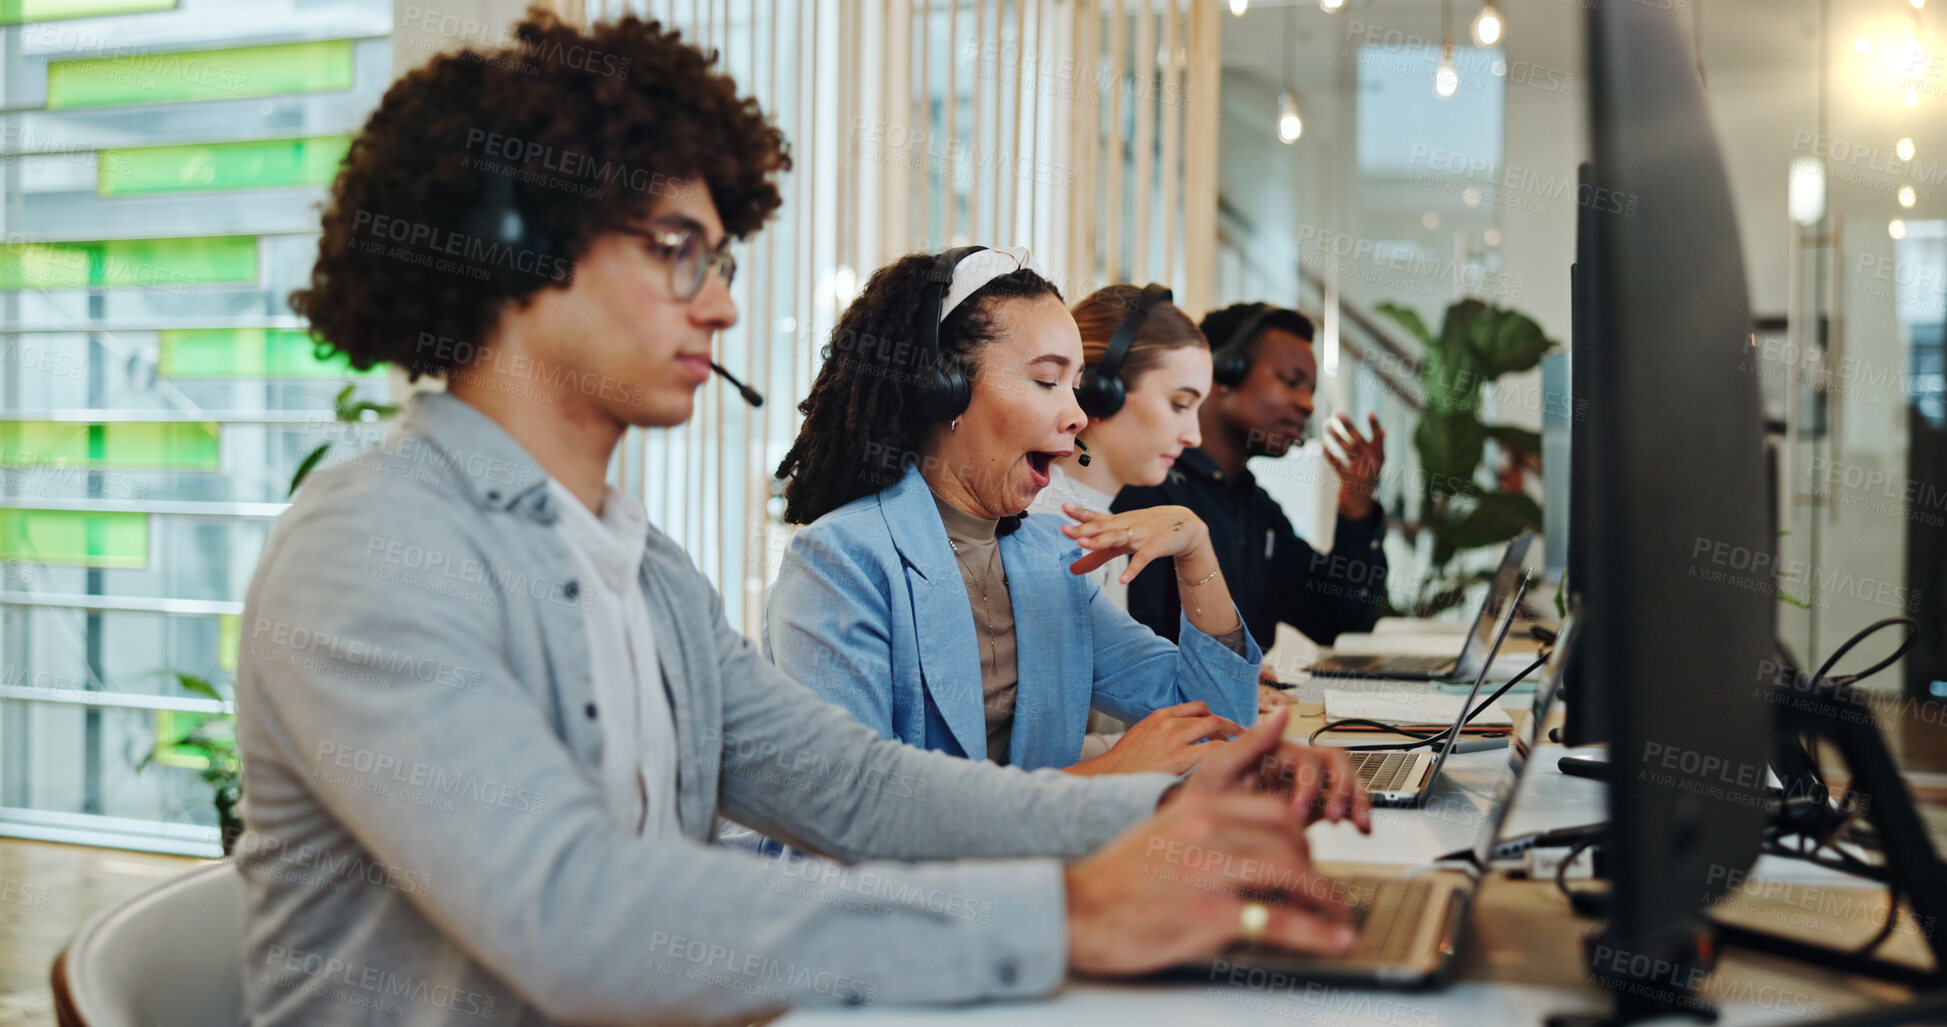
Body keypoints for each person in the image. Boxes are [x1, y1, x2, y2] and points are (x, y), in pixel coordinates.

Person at [236, 11, 1370, 1026]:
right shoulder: (371, 552)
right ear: (515, 248)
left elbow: (860, 788)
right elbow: (575, 916)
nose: (725, 301)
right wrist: (1064, 915)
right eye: (678, 250)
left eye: (720, 257)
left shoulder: (643, 567)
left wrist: (1180, 806)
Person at [767, 250, 1269, 777]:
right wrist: (1106, 774)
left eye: (1075, 388)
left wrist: (1195, 549)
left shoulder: (1049, 559)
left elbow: (1222, 721)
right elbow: (858, 806)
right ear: (946, 387)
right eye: (1048, 382)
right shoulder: (839, 561)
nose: (1078, 416)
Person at [1026, 284, 1292, 759]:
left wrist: (1197, 543)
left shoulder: (1094, 517)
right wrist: (1170, 744)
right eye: (1179, 403)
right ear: (1102, 391)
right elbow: (1027, 753)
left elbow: (1221, 717)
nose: (1192, 435)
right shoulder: (1046, 527)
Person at [1114, 302, 1391, 673]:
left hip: (1241, 716)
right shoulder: (1148, 490)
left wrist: (1357, 510)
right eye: (1290, 381)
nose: (1307, 405)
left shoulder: (1256, 509)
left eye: (1310, 390)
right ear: (1225, 370)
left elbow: (1340, 620)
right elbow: (1139, 657)